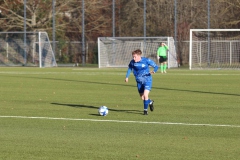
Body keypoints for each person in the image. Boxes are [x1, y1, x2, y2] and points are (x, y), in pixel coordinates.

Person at [125, 49, 159, 115]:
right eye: (133, 57)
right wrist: (127, 77)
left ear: (139, 56)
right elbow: (129, 69)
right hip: (139, 81)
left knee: (146, 95)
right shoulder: (132, 62)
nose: (133, 58)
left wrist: (154, 71)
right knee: (142, 97)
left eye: (135, 57)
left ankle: (145, 111)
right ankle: (150, 102)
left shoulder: (146, 60)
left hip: (147, 80)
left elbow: (156, 66)